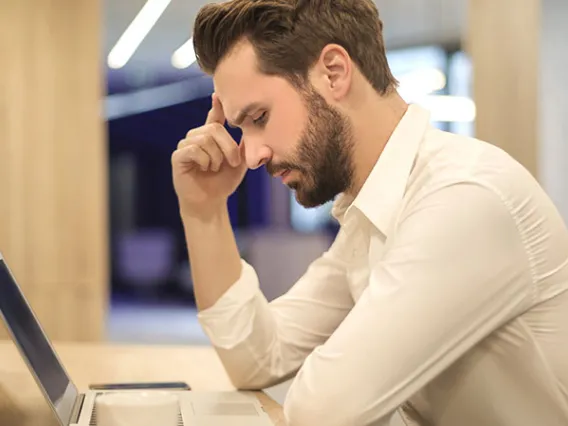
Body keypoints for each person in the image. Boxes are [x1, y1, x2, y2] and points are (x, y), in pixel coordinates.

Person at [171, 0, 568, 425]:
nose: (250, 155)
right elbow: (258, 359)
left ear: (334, 73)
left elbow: (323, 411)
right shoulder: (372, 215)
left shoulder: (463, 197)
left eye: (260, 117)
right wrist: (205, 211)